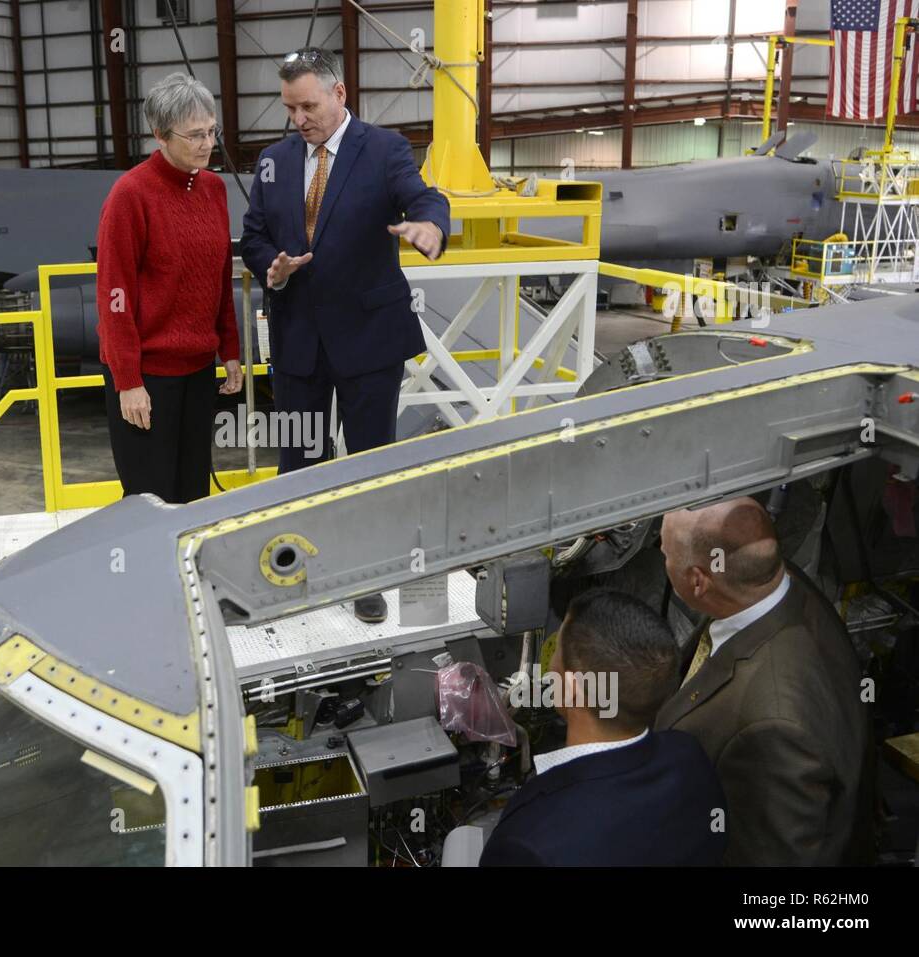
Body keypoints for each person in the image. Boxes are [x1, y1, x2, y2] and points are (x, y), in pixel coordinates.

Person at [241, 46, 451, 623]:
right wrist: (270, 268)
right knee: (299, 459)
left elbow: (423, 196)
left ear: (339, 94)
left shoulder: (383, 150)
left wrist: (429, 224)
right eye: (289, 108)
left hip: (368, 341)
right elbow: (254, 235)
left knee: (367, 464)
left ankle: (367, 579)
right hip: (297, 342)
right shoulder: (274, 161)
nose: (298, 119)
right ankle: (295, 573)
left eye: (307, 105)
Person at [655, 496, 874, 865]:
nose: (663, 560)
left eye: (666, 554)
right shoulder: (775, 583)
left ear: (698, 581)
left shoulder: (775, 726)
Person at [477, 589, 726, 866]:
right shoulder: (690, 757)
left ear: (571, 690)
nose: (549, 670)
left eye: (557, 653)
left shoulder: (527, 843)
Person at [95, 72, 242, 504]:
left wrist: (229, 352)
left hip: (197, 372)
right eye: (194, 135)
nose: (206, 143)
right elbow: (113, 296)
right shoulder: (130, 195)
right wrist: (128, 380)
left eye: (212, 131)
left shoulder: (213, 189)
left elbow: (218, 275)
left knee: (192, 491)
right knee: (149, 497)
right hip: (148, 376)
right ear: (160, 135)